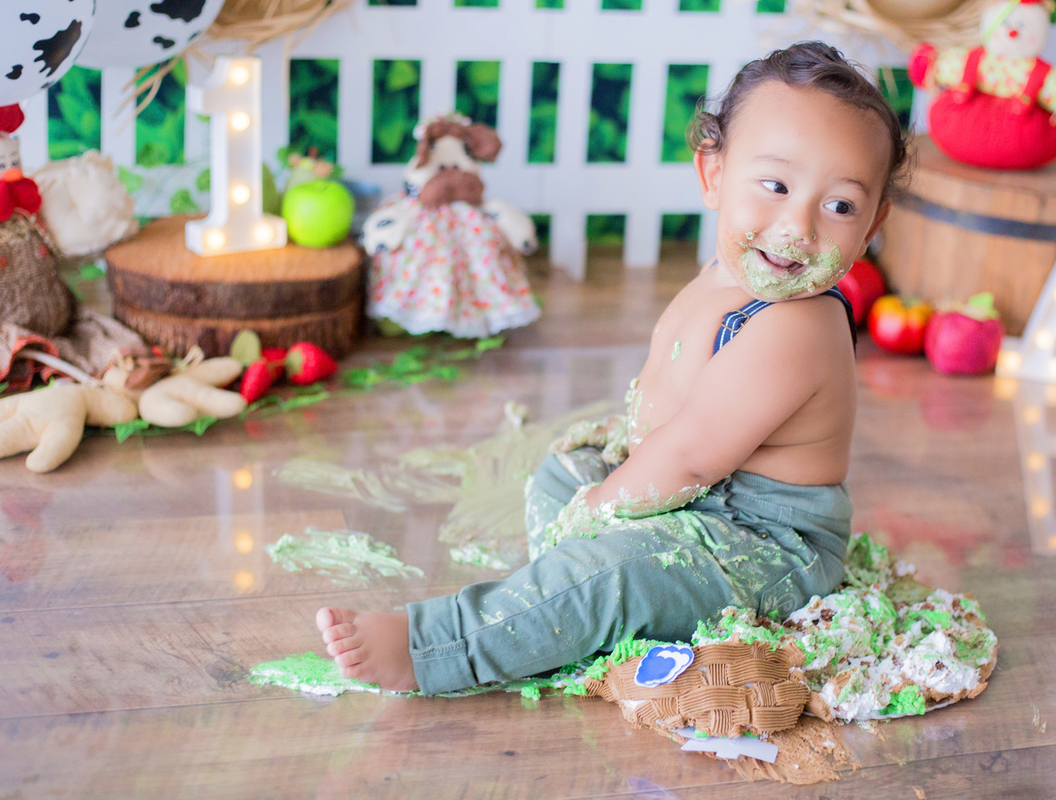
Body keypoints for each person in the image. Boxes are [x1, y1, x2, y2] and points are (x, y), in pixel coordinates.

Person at [315, 41, 910, 695]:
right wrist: (600, 475)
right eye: (774, 186)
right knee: (556, 475)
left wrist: (597, 513)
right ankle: (575, 603)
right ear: (713, 175)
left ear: (872, 224)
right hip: (692, 494)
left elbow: (691, 458)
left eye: (841, 206)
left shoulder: (800, 324)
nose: (796, 227)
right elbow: (672, 394)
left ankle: (438, 646)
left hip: (763, 545)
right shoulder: (732, 274)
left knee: (611, 574)